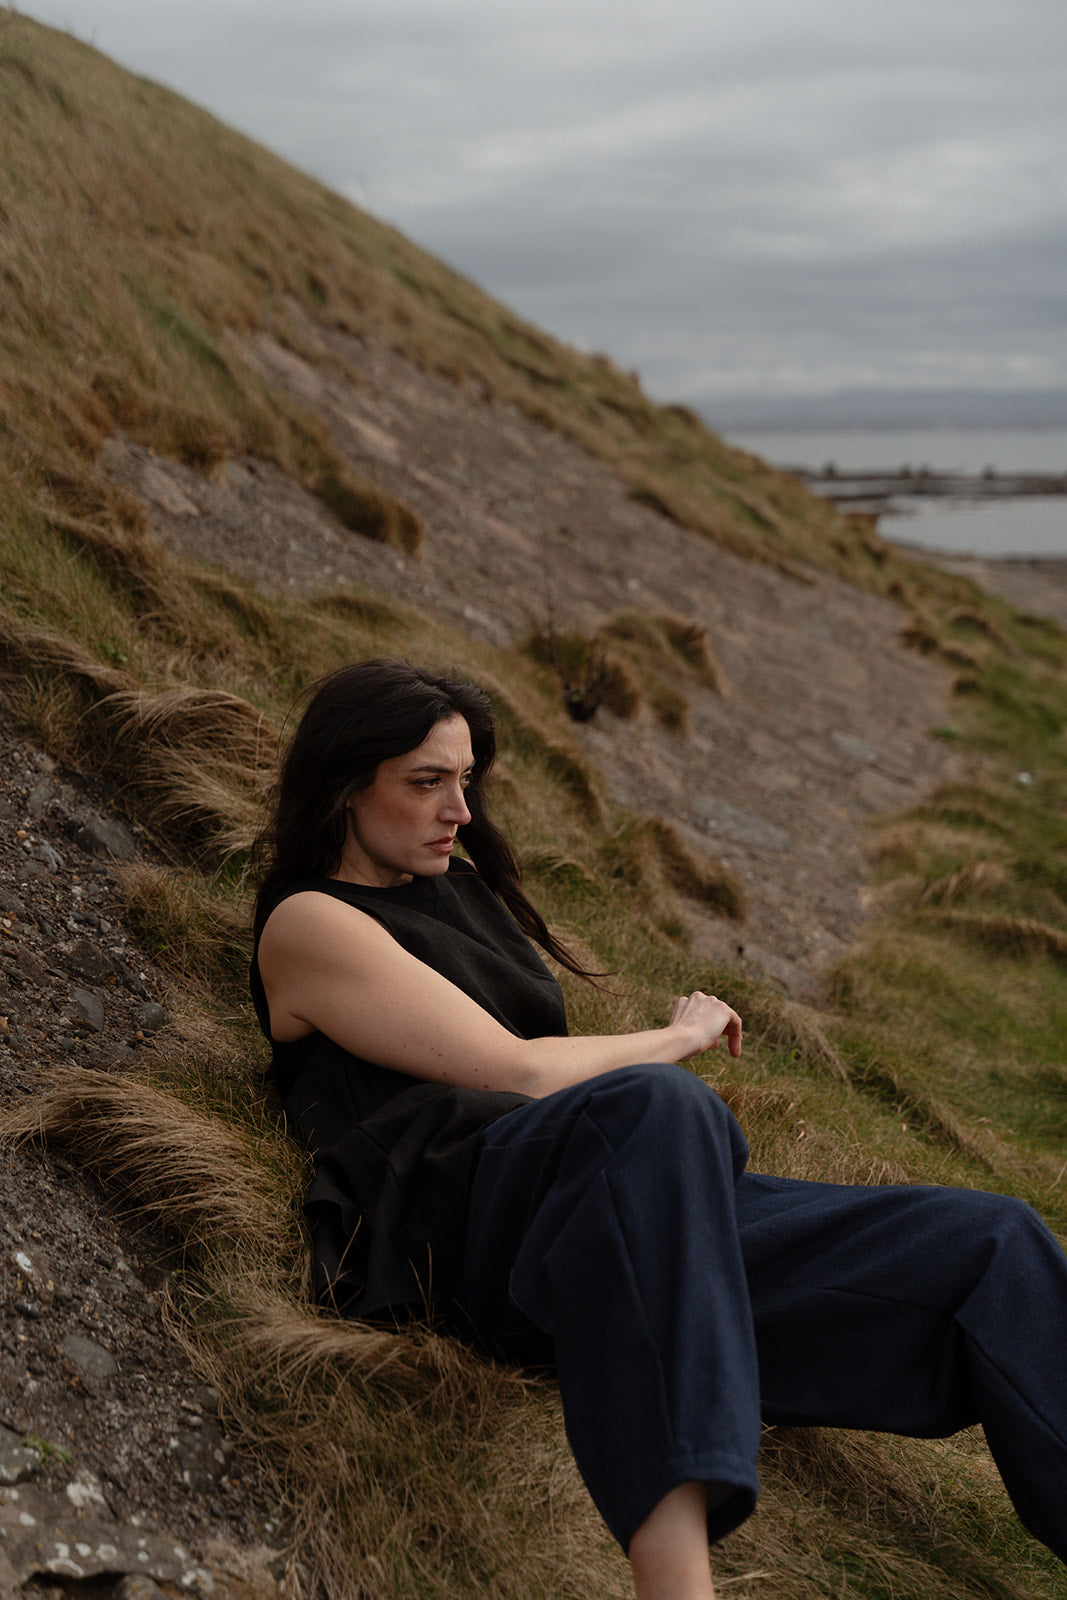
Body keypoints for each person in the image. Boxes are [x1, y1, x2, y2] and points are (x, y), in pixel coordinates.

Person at [250, 658, 1067, 1599]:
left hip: (619, 1207)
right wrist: (673, 1040)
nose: (460, 812)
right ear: (347, 785)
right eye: (426, 783)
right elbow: (517, 1071)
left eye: (465, 781)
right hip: (462, 1219)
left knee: (987, 1241)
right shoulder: (310, 921)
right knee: (661, 1107)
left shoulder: (461, 892)